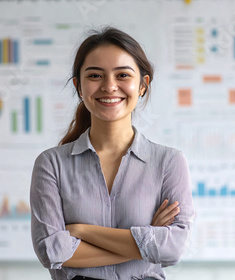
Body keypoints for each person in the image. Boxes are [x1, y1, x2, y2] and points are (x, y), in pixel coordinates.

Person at [30, 27, 194, 280]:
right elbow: (51, 252)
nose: (109, 86)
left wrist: (81, 231)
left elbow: (173, 248)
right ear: (79, 86)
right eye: (95, 75)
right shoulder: (51, 164)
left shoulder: (169, 162)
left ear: (142, 85)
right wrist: (147, 239)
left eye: (123, 75)